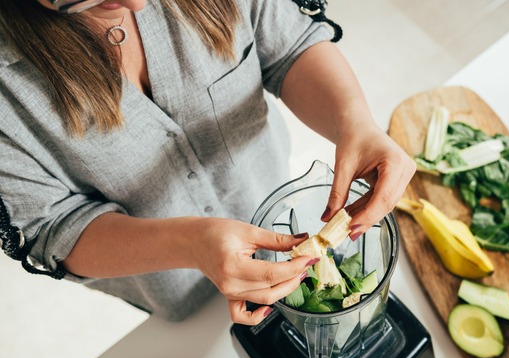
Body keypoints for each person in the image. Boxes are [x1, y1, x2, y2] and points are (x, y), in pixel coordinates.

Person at [0, 0, 415, 325]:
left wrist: (354, 121)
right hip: (170, 286)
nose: (138, 5)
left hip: (263, 190)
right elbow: (52, 227)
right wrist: (191, 244)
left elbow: (288, 47)